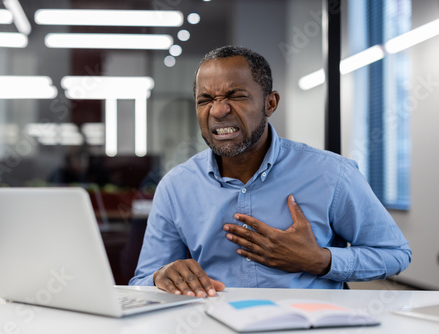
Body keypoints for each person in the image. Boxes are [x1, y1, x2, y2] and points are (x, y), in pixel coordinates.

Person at [129, 45, 411, 297]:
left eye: (235, 95)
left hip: (309, 326)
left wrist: (320, 260)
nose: (218, 110)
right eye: (205, 100)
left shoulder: (332, 174)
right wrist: (161, 277)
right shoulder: (176, 186)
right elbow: (142, 280)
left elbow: (395, 254)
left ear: (270, 103)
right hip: (213, 324)